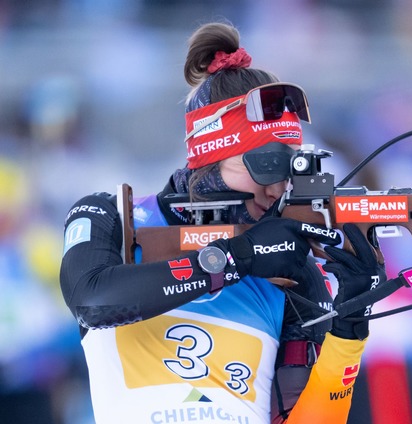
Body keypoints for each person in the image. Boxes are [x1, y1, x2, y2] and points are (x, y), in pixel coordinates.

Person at [59, 22, 386, 424]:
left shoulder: (290, 269)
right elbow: (93, 302)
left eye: (292, 169)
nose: (277, 188)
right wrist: (237, 257)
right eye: (265, 166)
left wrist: (349, 328)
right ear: (209, 157)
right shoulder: (115, 217)